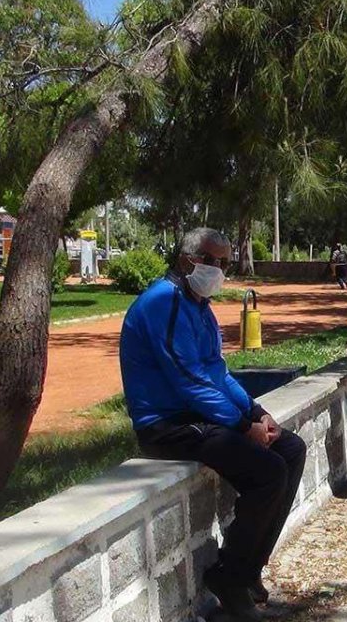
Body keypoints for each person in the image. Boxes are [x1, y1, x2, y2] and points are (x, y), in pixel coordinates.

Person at [119, 227, 306, 622]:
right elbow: (188, 381)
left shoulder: (198, 306)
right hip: (166, 424)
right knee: (268, 471)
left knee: (291, 449)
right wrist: (242, 427)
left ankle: (249, 568)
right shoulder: (162, 303)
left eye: (225, 261)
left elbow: (217, 374)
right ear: (188, 260)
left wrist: (256, 414)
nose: (221, 269)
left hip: (197, 417)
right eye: (213, 261)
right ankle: (228, 578)